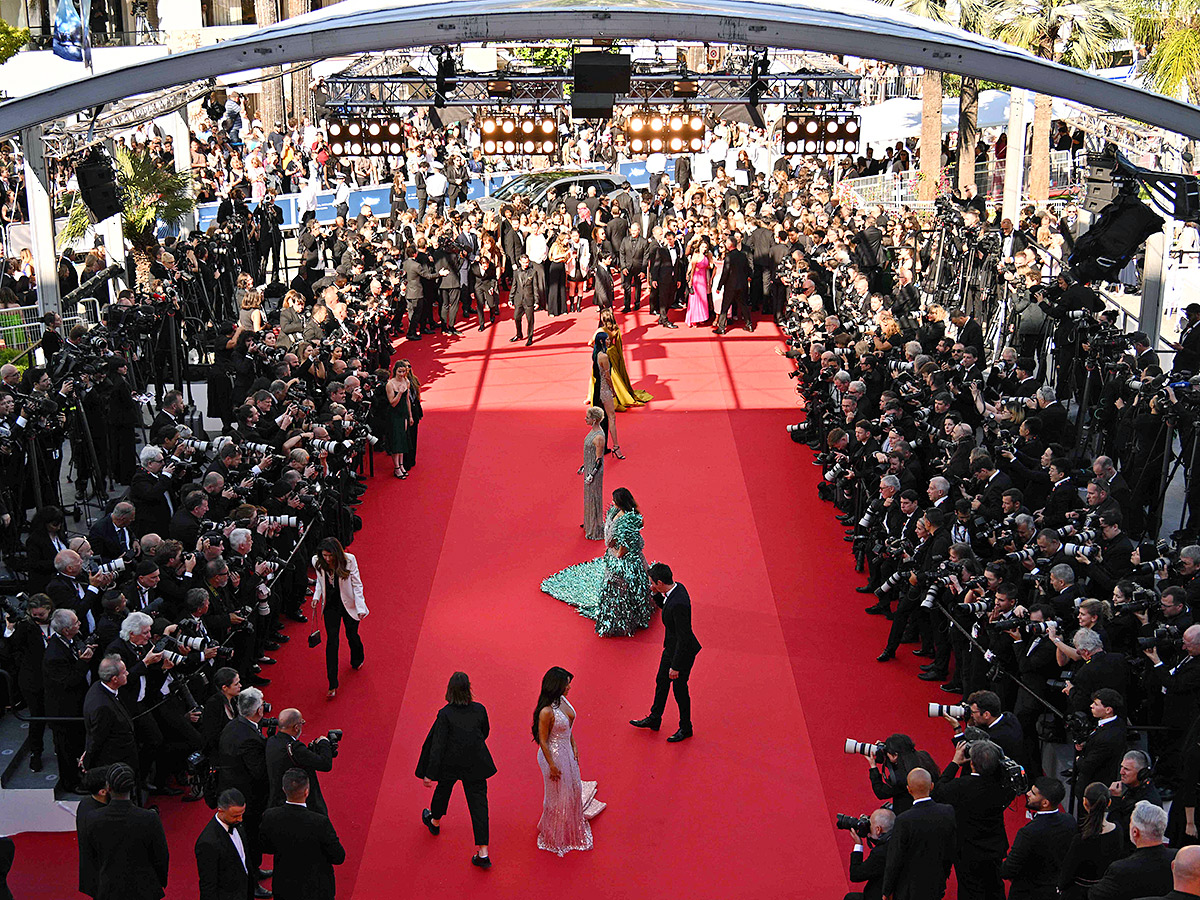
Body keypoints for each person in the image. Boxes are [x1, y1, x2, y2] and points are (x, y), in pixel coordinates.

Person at [542, 487, 654, 637]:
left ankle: (621, 621)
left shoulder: (627, 523)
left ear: (621, 502)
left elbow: (622, 551)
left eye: (615, 499)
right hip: (617, 556)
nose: (612, 501)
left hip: (624, 563)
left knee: (618, 589)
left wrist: (612, 551)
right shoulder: (619, 513)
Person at [415, 672, 497, 869]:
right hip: (475, 763)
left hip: (450, 764)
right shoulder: (479, 709)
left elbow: (437, 746)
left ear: (449, 690)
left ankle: (434, 822)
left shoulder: (444, 714)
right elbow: (484, 732)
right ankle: (483, 852)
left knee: (443, 792)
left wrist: (429, 773)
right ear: (469, 688)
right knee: (479, 805)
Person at [931, 739, 1017, 900]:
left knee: (969, 890)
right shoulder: (1004, 787)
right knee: (995, 886)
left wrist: (955, 763)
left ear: (972, 763)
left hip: (967, 850)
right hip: (994, 848)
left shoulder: (961, 787)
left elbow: (937, 792)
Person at [533, 666, 605, 855]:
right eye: (567, 684)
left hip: (566, 751)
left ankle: (569, 823)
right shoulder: (546, 711)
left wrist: (573, 744)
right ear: (556, 686)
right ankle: (554, 833)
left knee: (573, 788)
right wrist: (552, 766)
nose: (569, 687)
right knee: (558, 794)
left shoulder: (561, 701)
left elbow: (567, 727)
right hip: (553, 756)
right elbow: (543, 740)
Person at [630, 560, 702, 741]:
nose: (651, 585)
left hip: (682, 653)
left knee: (679, 689)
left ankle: (686, 728)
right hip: (671, 648)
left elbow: (684, 637)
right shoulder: (676, 590)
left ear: (660, 582)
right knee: (661, 682)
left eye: (653, 583)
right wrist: (655, 595)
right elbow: (666, 608)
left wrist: (676, 666)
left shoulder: (679, 603)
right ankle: (655, 719)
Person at [79, 763, 169, 900]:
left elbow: (89, 857)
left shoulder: (91, 818)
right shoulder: (149, 818)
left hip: (107, 889)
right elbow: (161, 856)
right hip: (145, 889)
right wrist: (159, 881)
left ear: (109, 788)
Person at [216, 688, 271, 899]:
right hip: (246, 799)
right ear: (257, 710)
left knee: (250, 841)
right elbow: (258, 772)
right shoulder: (248, 736)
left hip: (234, 791)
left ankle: (255, 871)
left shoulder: (234, 726)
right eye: (262, 703)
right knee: (249, 842)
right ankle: (252, 882)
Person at [259, 769, 346, 900]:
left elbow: (266, 847)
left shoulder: (270, 816)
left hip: (284, 887)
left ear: (284, 789)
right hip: (317, 889)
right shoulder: (320, 822)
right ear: (307, 792)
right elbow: (338, 857)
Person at [881, 768, 957, 900]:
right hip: (936, 882)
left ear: (909, 789)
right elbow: (951, 848)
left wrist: (886, 891)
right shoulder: (947, 812)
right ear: (932, 786)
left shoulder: (904, 820)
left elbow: (894, 859)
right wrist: (943, 875)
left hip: (909, 889)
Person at [310, 537, 368, 699]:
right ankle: (332, 683)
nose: (327, 559)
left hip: (348, 604)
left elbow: (357, 584)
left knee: (352, 635)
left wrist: (361, 606)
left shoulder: (349, 560)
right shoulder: (317, 561)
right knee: (332, 642)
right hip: (330, 606)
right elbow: (320, 582)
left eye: (330, 555)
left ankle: (357, 658)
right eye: (325, 555)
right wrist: (316, 597)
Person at [1002, 776, 1077, 900]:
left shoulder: (1028, 833)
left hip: (1028, 893)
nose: (1028, 794)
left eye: (1033, 793)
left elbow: (1009, 869)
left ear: (1045, 803)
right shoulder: (1069, 821)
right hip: (1054, 891)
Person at [1089, 801, 1175, 900]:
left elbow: (1095, 895)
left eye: (1130, 822)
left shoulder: (1121, 869)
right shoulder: (1177, 859)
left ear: (1135, 832)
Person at [1059, 781, 1129, 899]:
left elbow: (1067, 873)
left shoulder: (1081, 839)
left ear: (1085, 802)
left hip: (1080, 893)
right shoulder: (1117, 831)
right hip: (1106, 891)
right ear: (1109, 803)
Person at [265, 708, 334, 816]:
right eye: (301, 723)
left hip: (277, 800)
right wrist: (323, 743)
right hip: (301, 804)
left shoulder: (271, 741)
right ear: (296, 727)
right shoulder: (295, 748)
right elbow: (325, 764)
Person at [194, 788, 254, 900]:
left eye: (242, 814)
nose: (240, 819)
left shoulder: (238, 824)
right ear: (221, 811)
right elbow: (208, 885)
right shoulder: (207, 843)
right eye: (235, 816)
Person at [595, 307, 652, 411]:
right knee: (614, 376)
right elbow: (618, 344)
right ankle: (618, 393)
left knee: (602, 376)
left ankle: (602, 397)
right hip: (614, 353)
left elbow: (590, 343)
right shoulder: (616, 328)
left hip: (604, 354)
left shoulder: (601, 330)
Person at [844, 808, 894, 900]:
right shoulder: (900, 840)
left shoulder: (880, 853)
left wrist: (858, 845)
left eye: (870, 825)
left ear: (878, 829)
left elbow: (856, 875)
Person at [382, 359, 413, 479]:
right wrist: (399, 393)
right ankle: (396, 468)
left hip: (403, 413)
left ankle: (401, 465)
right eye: (400, 371)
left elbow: (408, 400)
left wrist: (410, 415)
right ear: (395, 371)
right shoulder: (390, 384)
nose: (402, 374)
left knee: (402, 440)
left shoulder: (406, 381)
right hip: (394, 415)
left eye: (404, 371)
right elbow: (392, 403)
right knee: (396, 441)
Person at [579, 407, 606, 540]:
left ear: (594, 420)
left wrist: (592, 475)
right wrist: (585, 466)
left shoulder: (599, 437)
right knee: (589, 497)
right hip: (589, 468)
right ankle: (589, 523)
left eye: (587, 417)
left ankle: (595, 527)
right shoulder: (593, 431)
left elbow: (599, 460)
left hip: (594, 473)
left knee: (594, 497)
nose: (585, 419)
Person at [686, 237, 713, 327]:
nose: (704, 249)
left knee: (703, 298)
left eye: (705, 247)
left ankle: (701, 317)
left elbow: (710, 266)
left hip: (703, 279)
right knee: (695, 299)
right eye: (702, 247)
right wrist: (690, 279)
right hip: (696, 279)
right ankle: (693, 319)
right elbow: (692, 267)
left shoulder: (706, 256)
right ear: (699, 246)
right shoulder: (696, 255)